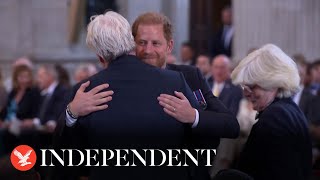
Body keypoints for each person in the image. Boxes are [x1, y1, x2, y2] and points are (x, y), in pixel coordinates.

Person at [59, 12, 239, 180]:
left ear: (169, 46)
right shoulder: (100, 86)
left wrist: (193, 116)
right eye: (142, 42)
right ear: (131, 44)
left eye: (156, 43)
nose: (147, 50)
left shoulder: (188, 77)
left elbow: (230, 125)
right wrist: (71, 113)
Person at [231, 44, 312, 180]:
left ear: (273, 83)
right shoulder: (291, 110)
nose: (246, 93)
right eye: (244, 86)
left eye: (251, 86)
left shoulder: (273, 119)